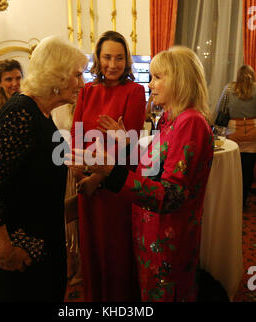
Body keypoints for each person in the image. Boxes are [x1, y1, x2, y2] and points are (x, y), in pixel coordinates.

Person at [66, 46, 214, 302]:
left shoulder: (191, 123)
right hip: (152, 237)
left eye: (158, 77)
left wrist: (112, 172)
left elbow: (171, 195)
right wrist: (127, 145)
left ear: (179, 79)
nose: (150, 83)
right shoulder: (170, 120)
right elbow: (152, 169)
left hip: (168, 242)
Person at [0, 35, 87, 302]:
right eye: (76, 75)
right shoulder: (20, 113)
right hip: (21, 254)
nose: (82, 83)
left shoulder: (42, 112)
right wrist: (5, 251)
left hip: (43, 244)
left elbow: (33, 186)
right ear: (57, 76)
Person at [71, 30, 146, 301]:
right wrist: (79, 172)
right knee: (92, 248)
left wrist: (98, 178)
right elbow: (76, 134)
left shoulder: (135, 92)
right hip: (86, 185)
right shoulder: (86, 91)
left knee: (115, 249)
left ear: (127, 61)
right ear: (97, 58)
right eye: (106, 57)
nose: (112, 64)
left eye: (119, 58)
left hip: (115, 185)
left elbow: (132, 144)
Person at [216, 64, 256, 210]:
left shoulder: (229, 88)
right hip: (252, 133)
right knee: (248, 170)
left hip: (233, 133)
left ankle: (231, 201)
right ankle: (243, 202)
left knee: (232, 169)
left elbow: (220, 109)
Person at [51, 104, 82, 286]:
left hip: (77, 165)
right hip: (58, 166)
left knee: (76, 219)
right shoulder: (56, 106)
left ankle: (81, 265)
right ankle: (69, 260)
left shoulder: (86, 98)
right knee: (62, 218)